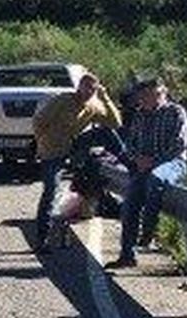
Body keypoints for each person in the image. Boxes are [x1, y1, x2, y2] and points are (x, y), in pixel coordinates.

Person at [31, 72, 122, 251]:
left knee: (106, 133)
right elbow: (38, 121)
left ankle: (127, 161)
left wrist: (105, 98)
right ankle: (43, 239)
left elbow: (115, 123)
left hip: (74, 148)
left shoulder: (93, 105)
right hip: (53, 150)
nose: (89, 92)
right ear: (79, 86)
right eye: (86, 87)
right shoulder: (62, 100)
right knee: (51, 191)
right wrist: (43, 143)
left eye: (93, 89)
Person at [107, 78, 187, 269]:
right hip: (144, 165)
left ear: (160, 94)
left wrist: (154, 161)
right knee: (129, 205)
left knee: (155, 178)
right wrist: (137, 159)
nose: (142, 100)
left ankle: (149, 230)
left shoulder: (176, 112)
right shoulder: (139, 115)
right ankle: (127, 255)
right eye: (141, 96)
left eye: (148, 95)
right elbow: (130, 143)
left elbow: (179, 144)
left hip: (171, 163)